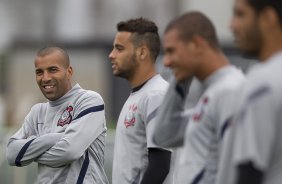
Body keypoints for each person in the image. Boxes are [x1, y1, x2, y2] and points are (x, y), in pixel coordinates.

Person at [152, 11, 246, 184]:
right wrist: (180, 80)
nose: (166, 62)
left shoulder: (231, 90)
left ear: (196, 44)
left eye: (172, 51)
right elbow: (164, 135)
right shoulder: (213, 93)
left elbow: (241, 171)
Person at [6, 47, 109, 184]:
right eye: (39, 72)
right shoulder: (37, 111)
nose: (46, 78)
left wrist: (30, 153)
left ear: (69, 72)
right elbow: (11, 154)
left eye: (53, 70)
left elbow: (69, 152)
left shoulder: (89, 100)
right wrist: (54, 138)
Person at [217, 0, 282, 184]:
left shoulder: (263, 81)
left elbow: (250, 171)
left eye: (240, 14)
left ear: (268, 18)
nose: (232, 25)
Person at [109, 18, 171, 184]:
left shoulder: (157, 95)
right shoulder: (139, 95)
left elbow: (161, 164)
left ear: (142, 53)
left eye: (119, 49)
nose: (111, 55)